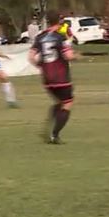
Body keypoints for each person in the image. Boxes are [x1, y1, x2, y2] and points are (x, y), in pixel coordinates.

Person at [29, 11, 76, 144]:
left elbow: (31, 57)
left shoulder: (40, 37)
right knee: (67, 103)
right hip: (61, 77)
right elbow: (69, 56)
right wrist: (77, 56)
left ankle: (50, 129)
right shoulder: (60, 37)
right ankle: (54, 135)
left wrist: (41, 66)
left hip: (47, 78)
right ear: (60, 21)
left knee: (59, 102)